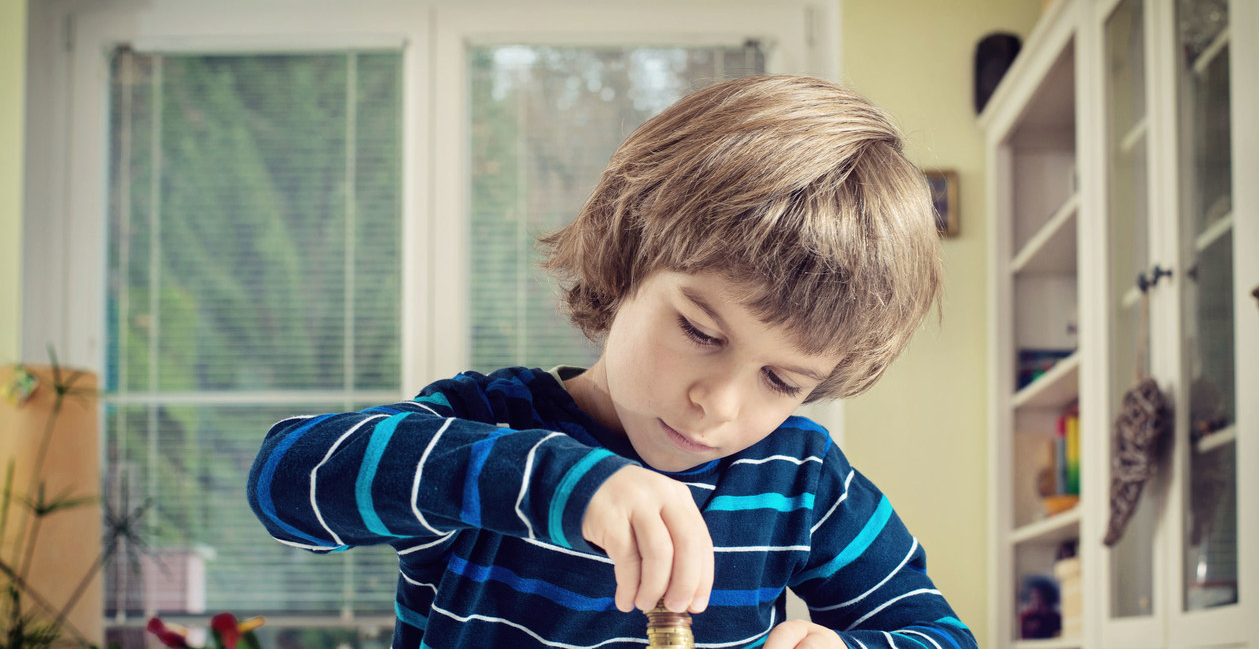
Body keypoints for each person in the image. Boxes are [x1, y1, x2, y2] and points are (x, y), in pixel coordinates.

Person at [247, 74, 978, 649]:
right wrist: (557, 483)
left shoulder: (802, 482)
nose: (718, 404)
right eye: (701, 330)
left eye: (782, 380)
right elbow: (282, 482)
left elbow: (941, 636)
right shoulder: (489, 425)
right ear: (628, 261)